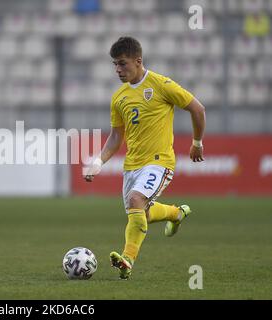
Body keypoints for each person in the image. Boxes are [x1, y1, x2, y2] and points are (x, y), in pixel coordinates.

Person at [84, 36, 206, 280]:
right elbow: (116, 136)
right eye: (114, 65)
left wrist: (197, 143)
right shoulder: (118, 97)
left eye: (122, 64)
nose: (118, 70)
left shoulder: (161, 84)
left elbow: (197, 108)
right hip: (132, 166)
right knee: (142, 212)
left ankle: (127, 260)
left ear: (138, 61)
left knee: (136, 199)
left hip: (160, 161)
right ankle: (176, 213)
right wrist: (98, 162)